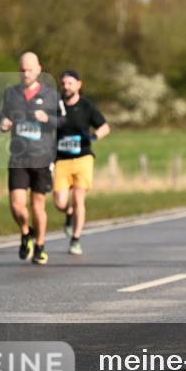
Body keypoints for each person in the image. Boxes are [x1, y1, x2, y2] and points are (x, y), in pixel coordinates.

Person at [0, 52, 59, 265]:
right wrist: (4, 123)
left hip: (42, 157)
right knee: (16, 206)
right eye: (22, 69)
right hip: (18, 157)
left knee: (37, 206)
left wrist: (48, 118)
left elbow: (61, 122)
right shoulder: (10, 94)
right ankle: (26, 232)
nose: (25, 73)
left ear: (39, 69)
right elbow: (1, 117)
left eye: (29, 69)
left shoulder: (51, 95)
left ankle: (40, 246)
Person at [53, 70, 110, 255]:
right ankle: (68, 213)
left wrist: (94, 137)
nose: (66, 87)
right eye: (63, 83)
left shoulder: (86, 106)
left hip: (83, 158)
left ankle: (75, 239)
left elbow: (105, 126)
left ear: (79, 85)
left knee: (79, 199)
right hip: (61, 159)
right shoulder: (56, 106)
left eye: (70, 83)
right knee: (60, 203)